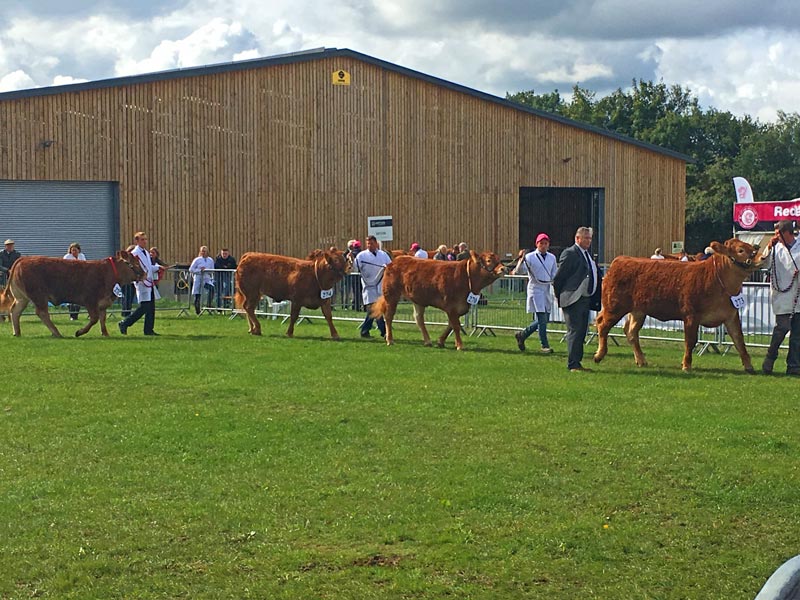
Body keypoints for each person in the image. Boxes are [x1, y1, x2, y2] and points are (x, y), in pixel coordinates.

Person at [553, 226, 600, 372]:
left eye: (590, 238)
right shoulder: (570, 253)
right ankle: (573, 364)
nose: (588, 241)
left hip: (585, 298)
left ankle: (577, 362)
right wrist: (562, 296)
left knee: (581, 331)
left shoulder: (587, 254)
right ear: (577, 238)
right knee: (575, 330)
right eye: (585, 238)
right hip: (573, 298)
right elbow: (559, 278)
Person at [761, 220, 800, 375]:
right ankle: (770, 357)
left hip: (798, 297)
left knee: (797, 335)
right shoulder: (775, 248)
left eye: (778, 233)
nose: (775, 236)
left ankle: (794, 366)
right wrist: (768, 248)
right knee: (782, 328)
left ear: (786, 233)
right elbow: (763, 264)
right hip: (782, 295)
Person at [513, 233, 557, 353]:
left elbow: (554, 273)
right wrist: (521, 260)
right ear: (537, 244)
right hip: (536, 289)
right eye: (541, 243)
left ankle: (522, 335)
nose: (543, 245)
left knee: (544, 319)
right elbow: (519, 271)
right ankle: (544, 345)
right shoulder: (530, 257)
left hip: (547, 288)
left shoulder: (552, 257)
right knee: (542, 318)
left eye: (545, 243)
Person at [118, 232, 164, 336]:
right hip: (142, 282)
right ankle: (125, 323)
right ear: (137, 241)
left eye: (145, 239)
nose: (145, 241)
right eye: (142, 239)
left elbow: (148, 267)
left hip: (149, 281)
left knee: (151, 307)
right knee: (144, 307)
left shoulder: (146, 253)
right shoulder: (135, 253)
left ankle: (148, 330)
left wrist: (158, 267)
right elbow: (137, 268)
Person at [355, 235, 392, 337]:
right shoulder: (361, 256)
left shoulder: (383, 255)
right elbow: (355, 268)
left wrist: (386, 268)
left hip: (381, 285)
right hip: (369, 286)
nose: (369, 246)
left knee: (373, 310)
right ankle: (384, 332)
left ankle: (365, 331)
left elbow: (390, 266)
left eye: (371, 243)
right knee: (376, 309)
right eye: (368, 244)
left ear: (376, 243)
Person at [63, 242, 87, 320]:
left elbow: (84, 266)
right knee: (70, 298)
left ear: (78, 250)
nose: (74, 252)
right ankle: (71, 315)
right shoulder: (67, 257)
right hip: (69, 279)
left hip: (80, 279)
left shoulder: (82, 256)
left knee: (78, 297)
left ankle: (76, 315)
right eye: (72, 250)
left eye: (75, 250)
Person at [189, 245, 215, 315]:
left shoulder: (210, 260)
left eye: (205, 251)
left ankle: (208, 305)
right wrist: (199, 270)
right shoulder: (197, 260)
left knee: (212, 289)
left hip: (206, 278)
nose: (203, 253)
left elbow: (212, 270)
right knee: (197, 294)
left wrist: (207, 271)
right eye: (202, 251)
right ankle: (197, 310)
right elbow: (191, 269)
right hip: (198, 278)